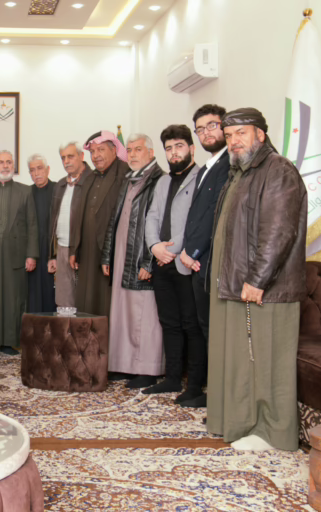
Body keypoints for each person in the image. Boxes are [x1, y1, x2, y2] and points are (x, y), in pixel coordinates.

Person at [207, 108, 306, 452]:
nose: (233, 141)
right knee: (242, 359)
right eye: (229, 135)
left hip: (266, 288)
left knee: (265, 359)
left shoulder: (278, 170)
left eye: (241, 133)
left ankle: (270, 433)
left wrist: (258, 279)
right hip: (238, 283)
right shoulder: (240, 173)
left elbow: (279, 232)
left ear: (260, 135)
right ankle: (240, 421)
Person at [144, 125, 203, 399]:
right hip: (162, 262)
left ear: (191, 148)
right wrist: (154, 246)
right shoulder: (163, 182)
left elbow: (197, 221)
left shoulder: (202, 178)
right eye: (169, 148)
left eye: (179, 146)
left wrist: (171, 249)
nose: (174, 152)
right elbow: (152, 217)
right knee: (169, 322)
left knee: (191, 324)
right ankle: (172, 379)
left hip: (186, 262)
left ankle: (194, 386)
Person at [177, 104, 231, 408]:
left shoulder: (229, 164)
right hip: (198, 262)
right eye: (200, 129)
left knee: (215, 332)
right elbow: (195, 215)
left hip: (211, 260)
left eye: (212, 125)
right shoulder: (208, 167)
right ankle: (204, 390)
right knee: (201, 328)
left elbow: (216, 212)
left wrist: (192, 250)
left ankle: (220, 400)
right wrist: (186, 249)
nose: (206, 133)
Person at [101, 134, 164, 388]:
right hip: (121, 254)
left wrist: (148, 262)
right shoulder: (129, 179)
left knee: (144, 314)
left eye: (138, 149)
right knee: (123, 311)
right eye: (129, 150)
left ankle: (147, 369)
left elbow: (160, 225)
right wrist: (107, 254)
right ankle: (126, 365)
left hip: (141, 256)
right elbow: (114, 220)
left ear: (151, 152)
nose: (133, 154)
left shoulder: (159, 180)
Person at [0, 151, 39, 355]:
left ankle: (8, 343)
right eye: (1, 162)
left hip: (16, 253)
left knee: (13, 299)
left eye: (9, 162)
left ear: (13, 165)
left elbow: (32, 224)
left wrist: (31, 255)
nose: (5, 166)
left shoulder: (25, 191)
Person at [72, 131, 128, 316]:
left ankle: (106, 334)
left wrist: (110, 253)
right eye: (92, 152)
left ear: (114, 150)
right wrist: (75, 249)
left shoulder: (125, 174)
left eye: (101, 150)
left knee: (106, 300)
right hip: (88, 251)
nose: (96, 155)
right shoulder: (90, 177)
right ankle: (87, 333)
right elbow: (79, 215)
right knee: (87, 299)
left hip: (110, 250)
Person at [48, 142, 91, 308]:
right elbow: (53, 222)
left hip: (83, 251)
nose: (66, 161)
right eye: (63, 158)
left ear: (81, 156)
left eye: (70, 156)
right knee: (64, 303)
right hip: (62, 249)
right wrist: (52, 255)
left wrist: (78, 251)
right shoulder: (60, 185)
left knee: (84, 302)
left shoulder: (92, 181)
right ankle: (65, 327)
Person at [26, 154, 56, 313]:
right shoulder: (26, 193)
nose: (36, 173)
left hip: (53, 252)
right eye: (32, 170)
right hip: (32, 253)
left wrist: (55, 255)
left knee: (52, 295)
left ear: (48, 169)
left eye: (39, 168)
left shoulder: (59, 190)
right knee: (33, 297)